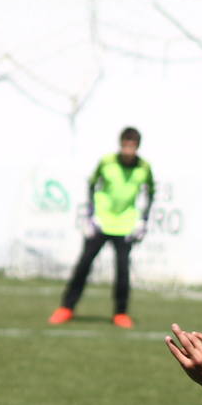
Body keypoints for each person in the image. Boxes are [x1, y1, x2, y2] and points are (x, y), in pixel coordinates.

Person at [48, 126, 155, 329]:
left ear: (138, 147)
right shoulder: (107, 162)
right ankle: (66, 308)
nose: (128, 150)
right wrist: (91, 216)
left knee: (123, 270)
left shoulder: (144, 167)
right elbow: (91, 185)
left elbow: (151, 192)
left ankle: (121, 313)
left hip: (125, 225)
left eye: (132, 146)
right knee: (83, 265)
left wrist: (143, 221)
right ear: (120, 144)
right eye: (125, 145)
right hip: (101, 222)